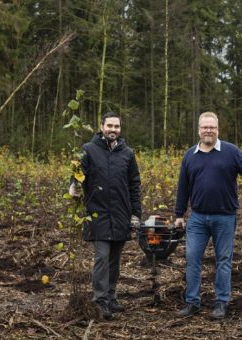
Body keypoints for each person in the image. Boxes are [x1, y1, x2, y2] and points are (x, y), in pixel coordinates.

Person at [174, 111, 242, 319]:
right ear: (199, 130)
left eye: (212, 127)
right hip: (197, 218)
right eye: (205, 127)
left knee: (223, 260)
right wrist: (179, 214)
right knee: (192, 258)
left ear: (217, 129)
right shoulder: (189, 155)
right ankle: (192, 302)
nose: (208, 130)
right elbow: (183, 187)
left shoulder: (231, 151)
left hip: (225, 217)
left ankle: (221, 303)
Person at [69, 111, 142, 320]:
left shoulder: (127, 153)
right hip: (97, 213)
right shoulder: (88, 150)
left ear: (120, 129)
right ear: (101, 126)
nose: (113, 130)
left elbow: (134, 185)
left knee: (114, 260)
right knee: (101, 257)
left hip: (121, 215)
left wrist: (136, 213)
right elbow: (77, 174)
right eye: (109, 126)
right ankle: (99, 301)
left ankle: (110, 296)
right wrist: (73, 186)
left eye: (116, 127)